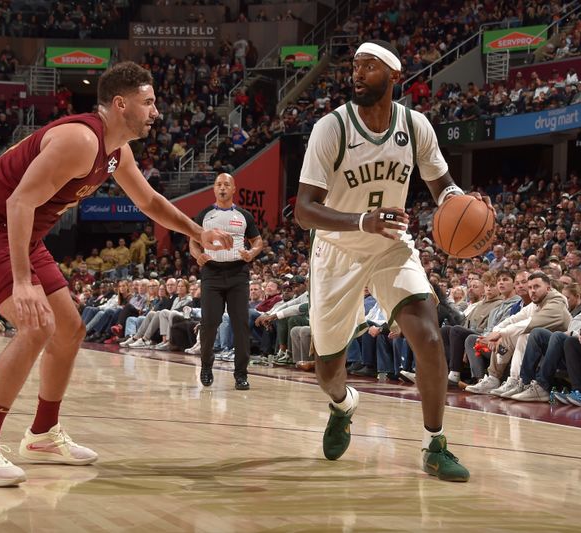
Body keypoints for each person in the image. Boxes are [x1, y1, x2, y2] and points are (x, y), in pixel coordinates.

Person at [0, 61, 232, 488]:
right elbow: (18, 203)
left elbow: (149, 202)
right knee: (37, 325)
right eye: (148, 103)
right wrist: (22, 282)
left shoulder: (116, 152)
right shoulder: (80, 140)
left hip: (20, 233)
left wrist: (196, 232)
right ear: (120, 104)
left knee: (70, 329)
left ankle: (42, 434)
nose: (156, 113)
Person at [295, 40, 482, 482]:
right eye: (355, 65)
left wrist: (461, 201)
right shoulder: (332, 128)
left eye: (369, 66)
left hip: (391, 245)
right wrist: (362, 221)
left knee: (430, 339)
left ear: (394, 76)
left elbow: (442, 186)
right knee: (326, 370)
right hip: (337, 251)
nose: (357, 73)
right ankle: (343, 405)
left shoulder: (415, 126)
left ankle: (434, 445)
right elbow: (304, 210)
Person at [190, 173, 263, 390]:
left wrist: (253, 252)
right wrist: (197, 255)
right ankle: (206, 365)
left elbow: (257, 240)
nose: (222, 188)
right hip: (211, 273)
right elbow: (193, 242)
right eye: (218, 184)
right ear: (214, 189)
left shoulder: (244, 215)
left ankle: (241, 374)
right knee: (210, 323)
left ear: (234, 189)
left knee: (240, 324)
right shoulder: (204, 214)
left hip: (238, 272)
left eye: (226, 184)